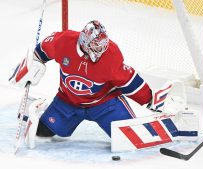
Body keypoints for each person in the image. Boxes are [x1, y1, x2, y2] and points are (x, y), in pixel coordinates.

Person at [9, 20, 168, 148]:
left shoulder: (111, 55)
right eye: (96, 46)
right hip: (68, 101)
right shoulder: (64, 41)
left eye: (102, 45)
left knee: (129, 138)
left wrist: (149, 99)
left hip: (104, 104)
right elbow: (43, 49)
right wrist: (33, 63)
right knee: (42, 131)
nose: (100, 49)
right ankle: (42, 110)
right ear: (84, 41)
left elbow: (129, 80)